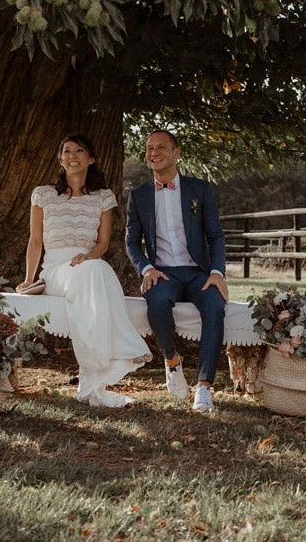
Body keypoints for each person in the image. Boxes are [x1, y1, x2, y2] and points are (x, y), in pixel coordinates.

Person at [19, 133, 152, 408]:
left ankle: (93, 376)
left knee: (98, 269)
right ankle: (115, 357)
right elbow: (34, 241)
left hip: (88, 263)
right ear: (60, 159)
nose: (72, 156)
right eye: (66, 151)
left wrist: (87, 256)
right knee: (96, 272)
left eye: (79, 151)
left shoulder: (103, 198)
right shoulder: (43, 195)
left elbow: (103, 243)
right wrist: (29, 279)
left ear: (90, 159)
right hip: (56, 269)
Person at [125, 129, 228, 413]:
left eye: (160, 147)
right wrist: (146, 268)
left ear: (176, 153)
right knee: (156, 303)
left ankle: (204, 387)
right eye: (148, 148)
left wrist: (217, 272)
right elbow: (131, 241)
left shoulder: (200, 190)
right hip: (163, 273)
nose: (153, 152)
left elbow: (216, 235)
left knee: (214, 308)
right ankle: (172, 361)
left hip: (198, 272)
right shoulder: (139, 195)